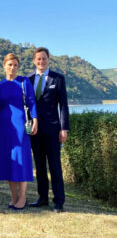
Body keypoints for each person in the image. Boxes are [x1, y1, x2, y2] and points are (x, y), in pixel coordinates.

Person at [0, 53, 38, 210]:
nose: (12, 68)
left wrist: (35, 121)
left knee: (22, 160)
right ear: (4, 66)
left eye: (15, 65)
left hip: (20, 126)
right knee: (9, 161)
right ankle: (14, 197)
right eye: (9, 64)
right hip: (4, 127)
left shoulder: (24, 82)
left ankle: (23, 197)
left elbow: (31, 102)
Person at [28, 47, 69, 213]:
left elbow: (64, 106)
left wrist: (64, 128)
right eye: (38, 59)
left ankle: (59, 201)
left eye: (44, 59)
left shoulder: (58, 78)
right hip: (35, 130)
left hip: (53, 130)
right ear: (33, 61)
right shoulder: (28, 79)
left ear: (48, 59)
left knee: (55, 166)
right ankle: (42, 198)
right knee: (39, 165)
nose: (41, 62)